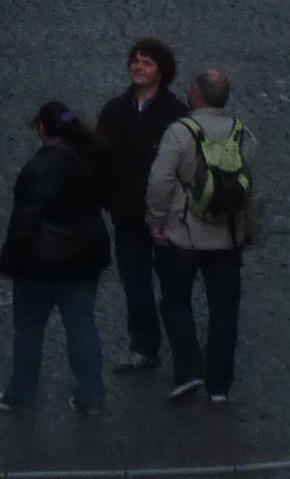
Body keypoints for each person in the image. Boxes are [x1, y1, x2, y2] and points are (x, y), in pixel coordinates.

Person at [147, 65, 258, 403]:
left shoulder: (180, 133)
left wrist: (156, 220)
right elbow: (256, 191)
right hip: (227, 238)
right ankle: (219, 386)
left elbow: (160, 181)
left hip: (183, 236)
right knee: (224, 310)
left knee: (176, 301)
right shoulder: (244, 135)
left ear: (195, 96)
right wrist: (250, 230)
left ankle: (189, 369)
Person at [0, 101, 110, 412]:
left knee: (29, 329)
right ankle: (92, 395)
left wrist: (8, 264)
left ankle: (21, 394)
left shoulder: (38, 169)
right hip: (85, 259)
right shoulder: (93, 157)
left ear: (43, 129)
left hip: (40, 265)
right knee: (82, 327)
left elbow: (23, 223)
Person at [92, 38, 185, 371]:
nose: (139, 67)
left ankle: (182, 353)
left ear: (161, 72)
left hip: (167, 218)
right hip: (127, 215)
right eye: (136, 61)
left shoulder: (175, 114)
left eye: (147, 63)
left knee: (173, 287)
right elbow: (97, 158)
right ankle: (144, 346)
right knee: (135, 284)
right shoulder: (114, 111)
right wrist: (107, 199)